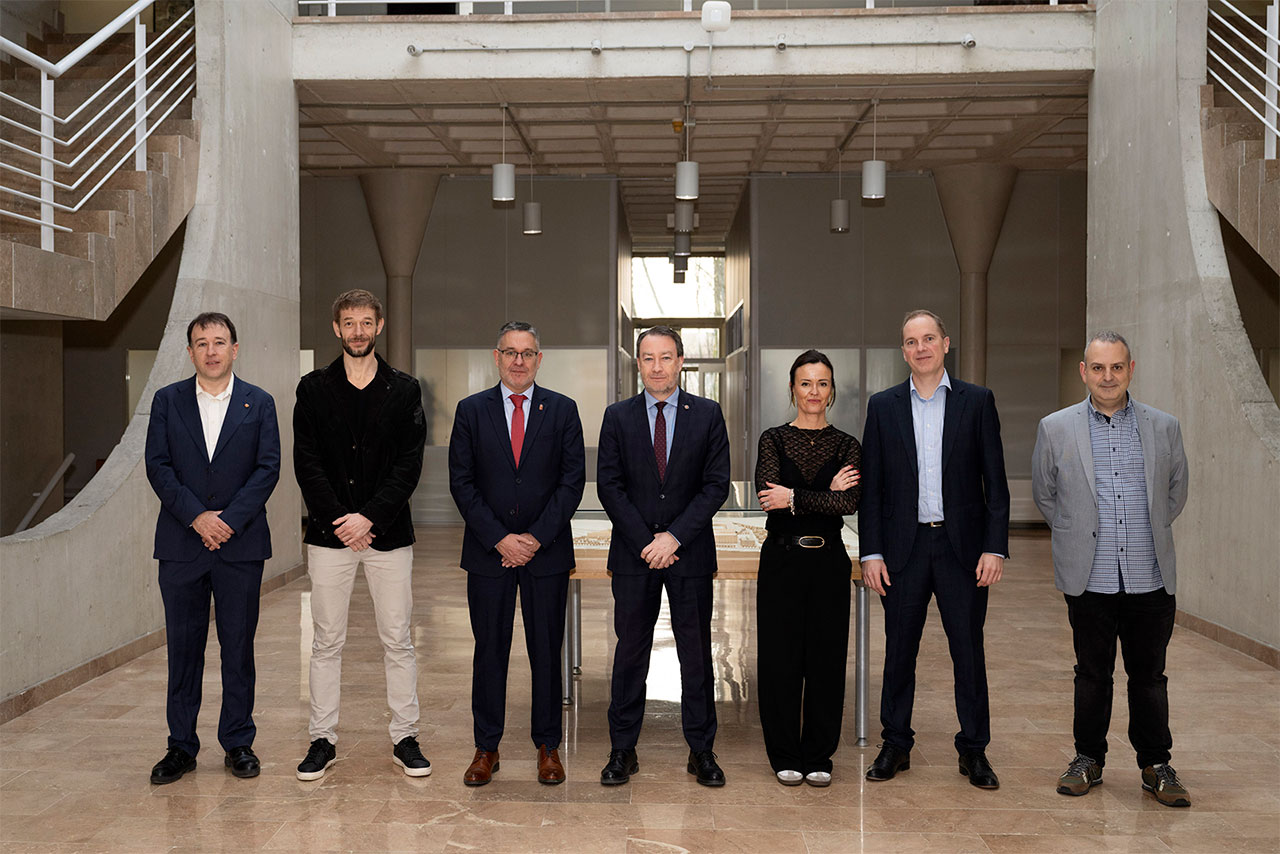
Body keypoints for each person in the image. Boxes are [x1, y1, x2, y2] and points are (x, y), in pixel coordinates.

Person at [1032, 331, 1191, 807]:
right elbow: (1047, 494)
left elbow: (1176, 492)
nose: (1107, 377)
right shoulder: (1055, 427)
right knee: (1092, 675)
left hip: (1150, 576)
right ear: (1084, 371)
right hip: (1090, 578)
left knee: (1150, 677)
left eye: (1116, 367)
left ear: (1131, 369)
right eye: (1098, 368)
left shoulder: (1164, 426)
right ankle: (1088, 760)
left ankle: (1156, 765)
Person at [860, 309, 1010, 789]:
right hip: (901, 551)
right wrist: (871, 553)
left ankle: (974, 751)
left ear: (946, 344)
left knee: (968, 651)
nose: (920, 347)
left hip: (961, 549)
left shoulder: (978, 402)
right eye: (911, 341)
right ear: (902, 350)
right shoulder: (882, 407)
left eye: (929, 339)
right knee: (899, 651)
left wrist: (995, 548)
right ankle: (895, 744)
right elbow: (873, 490)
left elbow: (996, 484)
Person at [292, 288, 429, 781]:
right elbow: (306, 465)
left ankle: (405, 737)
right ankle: (321, 739)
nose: (357, 332)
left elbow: (409, 465)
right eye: (348, 323)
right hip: (331, 538)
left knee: (398, 640)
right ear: (336, 329)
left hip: (388, 535)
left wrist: (369, 517)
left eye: (365, 323)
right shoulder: (311, 389)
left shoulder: (405, 389)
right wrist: (342, 521)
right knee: (326, 641)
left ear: (380, 326)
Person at [144, 312, 281, 784]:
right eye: (201, 343)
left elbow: (268, 469)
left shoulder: (258, 403)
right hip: (182, 545)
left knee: (238, 649)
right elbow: (158, 467)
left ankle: (238, 742)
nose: (211, 350)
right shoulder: (167, 401)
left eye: (219, 341)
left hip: (240, 547)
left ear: (235, 349)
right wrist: (197, 517)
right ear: (190, 352)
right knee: (184, 650)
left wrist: (227, 522)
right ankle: (180, 746)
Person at [448, 321, 586, 786]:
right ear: (497, 357)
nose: (519, 360)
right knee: (490, 651)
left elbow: (571, 483)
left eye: (527, 353)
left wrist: (533, 539)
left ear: (539, 359)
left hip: (545, 554)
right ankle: (486, 747)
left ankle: (548, 746)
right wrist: (501, 539)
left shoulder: (563, 410)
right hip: (489, 555)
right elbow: (461, 483)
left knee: (547, 651)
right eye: (510, 352)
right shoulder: (471, 411)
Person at [596, 325, 731, 787]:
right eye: (648, 358)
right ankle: (622, 751)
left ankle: (702, 752)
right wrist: (646, 542)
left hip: (688, 553)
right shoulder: (617, 416)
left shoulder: (708, 414)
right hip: (635, 556)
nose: (657, 366)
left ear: (680, 362)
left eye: (666, 357)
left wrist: (673, 537)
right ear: (639, 364)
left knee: (696, 653)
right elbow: (609, 486)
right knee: (630, 653)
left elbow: (716, 486)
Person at [754, 350, 861, 788]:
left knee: (826, 658)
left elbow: (850, 502)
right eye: (805, 383)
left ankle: (819, 754)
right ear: (792, 388)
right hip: (781, 559)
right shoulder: (773, 439)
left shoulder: (847, 445)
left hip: (829, 562)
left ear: (831, 390)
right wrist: (822, 492)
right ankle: (783, 754)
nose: (814, 392)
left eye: (822, 383)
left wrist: (795, 497)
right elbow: (768, 498)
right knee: (780, 659)